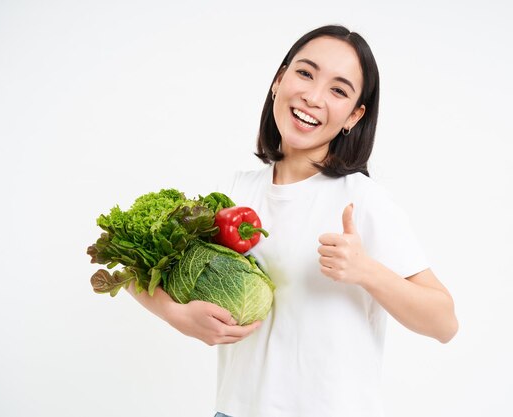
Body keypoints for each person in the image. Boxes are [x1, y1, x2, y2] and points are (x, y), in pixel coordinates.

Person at [127, 24, 458, 417]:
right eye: (305, 73)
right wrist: (176, 314)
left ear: (354, 115)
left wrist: (367, 271)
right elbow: (136, 267)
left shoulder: (360, 199)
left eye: (338, 90)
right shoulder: (235, 192)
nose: (313, 96)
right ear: (278, 81)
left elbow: (445, 323)